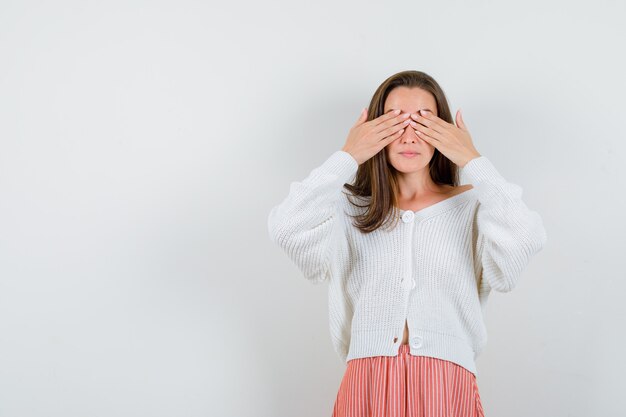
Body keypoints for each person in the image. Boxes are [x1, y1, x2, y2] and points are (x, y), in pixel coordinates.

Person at [267, 70, 547, 417]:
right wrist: (348, 156)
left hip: (446, 386)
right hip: (365, 384)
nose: (409, 136)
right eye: (394, 122)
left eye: (424, 121)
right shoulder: (348, 209)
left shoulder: (473, 206)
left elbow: (524, 241)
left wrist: (473, 161)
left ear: (444, 132)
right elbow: (285, 227)